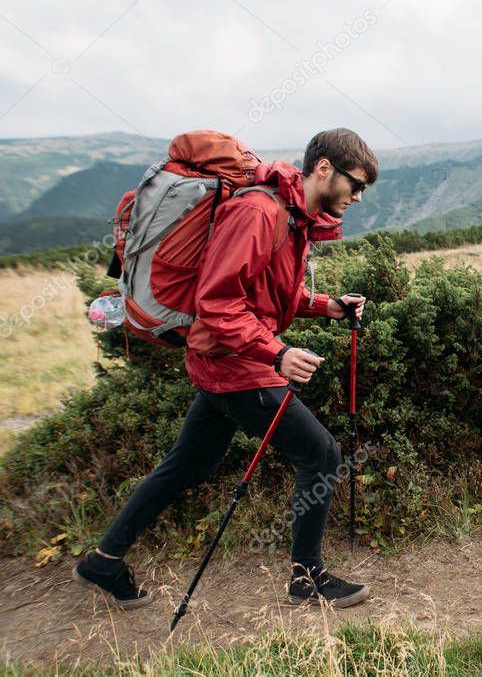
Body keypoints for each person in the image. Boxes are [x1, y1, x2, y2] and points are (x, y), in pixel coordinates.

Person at [73, 128, 377, 609]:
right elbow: (217, 301)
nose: (358, 196)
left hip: (223, 360)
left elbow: (265, 292)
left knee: (189, 465)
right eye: (355, 184)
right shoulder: (259, 211)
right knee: (321, 455)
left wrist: (328, 306)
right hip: (235, 365)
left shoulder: (291, 215)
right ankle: (307, 578)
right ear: (324, 169)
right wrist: (276, 353)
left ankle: (103, 561)